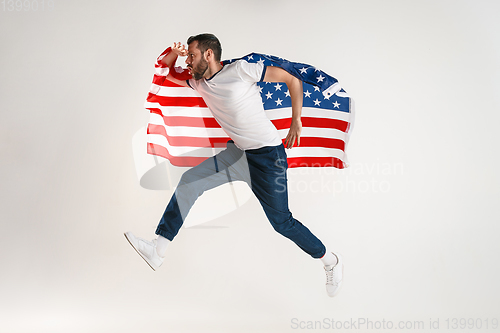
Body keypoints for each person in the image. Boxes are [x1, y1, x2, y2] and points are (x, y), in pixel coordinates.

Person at [125, 33, 343, 297]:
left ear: (208, 54)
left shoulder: (240, 70)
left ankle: (329, 260)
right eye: (188, 57)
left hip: (268, 158)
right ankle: (157, 250)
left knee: (282, 223)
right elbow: (168, 70)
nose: (189, 62)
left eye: (192, 56)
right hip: (238, 154)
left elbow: (291, 77)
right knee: (189, 183)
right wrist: (175, 51)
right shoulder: (199, 83)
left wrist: (297, 119)